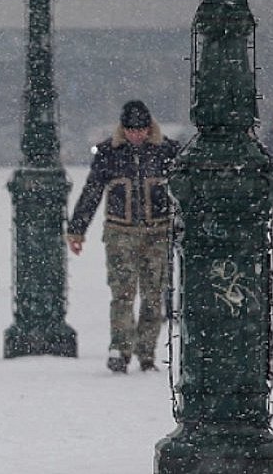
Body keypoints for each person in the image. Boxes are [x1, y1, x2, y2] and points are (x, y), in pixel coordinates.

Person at [66, 100, 179, 374]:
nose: (136, 135)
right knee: (123, 293)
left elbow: (182, 193)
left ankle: (146, 351)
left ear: (149, 127)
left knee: (153, 296)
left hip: (158, 233)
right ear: (123, 128)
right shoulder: (109, 153)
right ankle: (120, 348)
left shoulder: (168, 152)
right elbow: (92, 191)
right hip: (120, 233)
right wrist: (77, 228)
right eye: (131, 130)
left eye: (140, 130)